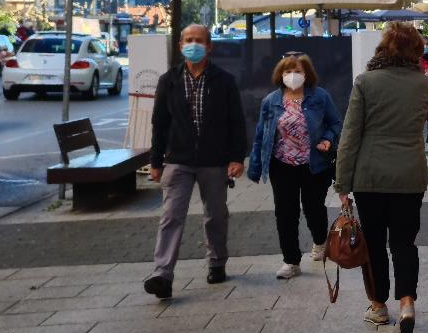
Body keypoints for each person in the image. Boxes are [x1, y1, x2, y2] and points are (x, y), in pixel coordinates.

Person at [335, 22, 428, 333]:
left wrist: (342, 184)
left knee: (374, 244)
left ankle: (378, 305)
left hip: (370, 176)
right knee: (404, 243)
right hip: (410, 175)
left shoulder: (365, 82)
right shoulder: (422, 84)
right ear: (415, 51)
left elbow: (350, 136)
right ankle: (407, 305)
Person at [144, 24, 247, 299]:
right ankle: (162, 274)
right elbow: (159, 123)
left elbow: (236, 122)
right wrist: (156, 161)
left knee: (215, 215)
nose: (194, 44)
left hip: (214, 161)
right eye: (188, 40)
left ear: (209, 46)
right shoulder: (169, 80)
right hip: (178, 160)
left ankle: (216, 261)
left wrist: (237, 157)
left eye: (199, 40)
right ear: (180, 46)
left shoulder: (224, 80)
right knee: (170, 216)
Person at [248, 53, 342, 280]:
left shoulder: (319, 97)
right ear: (280, 74)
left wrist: (328, 139)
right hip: (282, 165)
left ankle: (320, 241)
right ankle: (291, 261)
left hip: (314, 165)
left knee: (314, 209)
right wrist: (255, 166)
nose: (293, 76)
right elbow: (261, 134)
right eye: (288, 71)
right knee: (285, 214)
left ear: (307, 74)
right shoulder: (271, 100)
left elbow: (336, 122)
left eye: (298, 71)